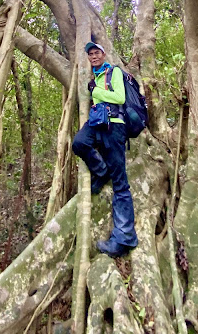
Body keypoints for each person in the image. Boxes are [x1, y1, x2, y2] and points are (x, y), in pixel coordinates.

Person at [72, 42, 138, 258]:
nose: (93, 56)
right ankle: (101, 172)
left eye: (96, 52)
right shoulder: (95, 78)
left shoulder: (113, 72)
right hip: (97, 123)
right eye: (90, 54)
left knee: (120, 184)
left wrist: (97, 91)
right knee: (79, 143)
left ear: (103, 54)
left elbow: (119, 98)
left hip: (115, 126)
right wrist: (94, 92)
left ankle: (124, 238)